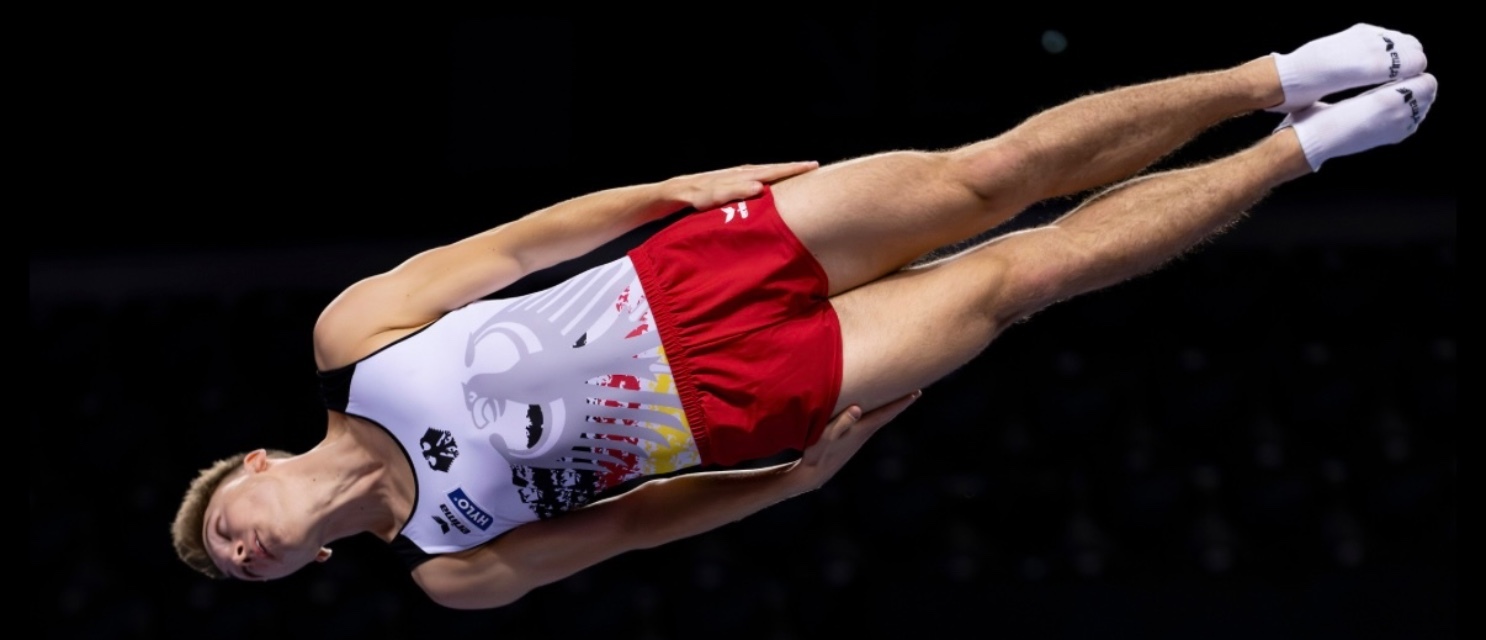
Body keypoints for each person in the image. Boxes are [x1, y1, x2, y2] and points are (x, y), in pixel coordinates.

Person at [171, 23, 1436, 609]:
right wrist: (789, 485)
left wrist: (672, 189)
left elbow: (516, 241)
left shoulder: (356, 343)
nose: (240, 548)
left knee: (980, 178)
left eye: (225, 523)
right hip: (731, 406)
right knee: (1018, 276)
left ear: (258, 466)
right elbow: (631, 532)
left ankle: (1272, 74)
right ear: (305, 562)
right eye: (241, 563)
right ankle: (1298, 152)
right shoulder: (453, 565)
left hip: (678, 279)